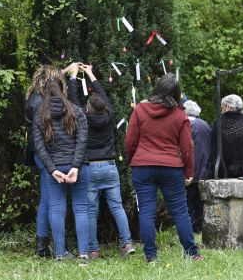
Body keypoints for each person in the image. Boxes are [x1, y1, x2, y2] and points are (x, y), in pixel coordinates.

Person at [125, 74, 203, 263]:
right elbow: (187, 147)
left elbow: (129, 141)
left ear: (158, 88)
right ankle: (192, 253)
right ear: (176, 94)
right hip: (171, 168)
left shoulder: (140, 109)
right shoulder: (179, 114)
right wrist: (189, 172)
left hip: (142, 167)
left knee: (146, 211)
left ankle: (151, 256)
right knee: (180, 211)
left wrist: (134, 160)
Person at [66, 63, 135, 259]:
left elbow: (72, 99)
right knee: (117, 207)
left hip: (90, 167)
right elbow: (103, 96)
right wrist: (90, 74)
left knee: (90, 211)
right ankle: (127, 243)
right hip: (110, 166)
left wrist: (73, 77)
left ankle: (93, 249)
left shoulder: (83, 118)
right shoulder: (109, 114)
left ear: (88, 108)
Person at [32, 75, 90, 262]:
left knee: (57, 210)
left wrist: (51, 169)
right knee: (81, 209)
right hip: (78, 166)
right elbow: (82, 141)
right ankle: (83, 253)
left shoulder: (40, 114)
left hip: (55, 167)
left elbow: (39, 146)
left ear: (44, 93)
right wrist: (76, 166)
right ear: (63, 90)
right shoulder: (76, 111)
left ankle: (58, 255)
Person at [25, 64, 74, 257]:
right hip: (45, 154)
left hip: (41, 154)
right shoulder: (39, 103)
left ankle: (43, 245)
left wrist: (66, 69)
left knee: (47, 199)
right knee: (52, 201)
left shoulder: (34, 98)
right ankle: (55, 247)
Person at [183, 100, 211, 234]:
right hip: (204, 169)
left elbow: (185, 148)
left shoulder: (187, 124)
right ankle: (200, 227)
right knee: (200, 201)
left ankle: (193, 228)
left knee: (189, 201)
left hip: (190, 169)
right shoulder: (205, 124)